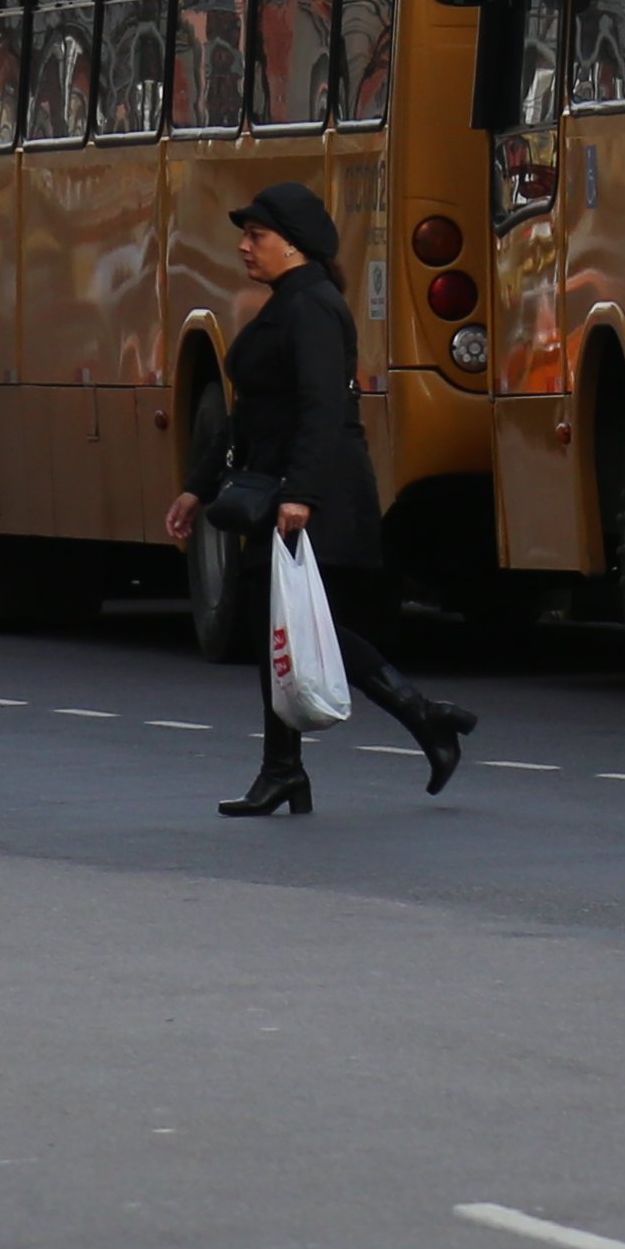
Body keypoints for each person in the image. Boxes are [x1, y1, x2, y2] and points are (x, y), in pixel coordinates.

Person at [167, 184, 473, 814]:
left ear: (293, 245)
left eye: (256, 236)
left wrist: (300, 495)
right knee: (283, 625)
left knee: (301, 627)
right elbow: (245, 415)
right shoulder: (288, 303)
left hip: (317, 490)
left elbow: (323, 408)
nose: (244, 246)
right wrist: (197, 487)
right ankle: (305, 762)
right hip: (285, 486)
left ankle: (377, 735)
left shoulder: (312, 309)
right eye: (246, 235)